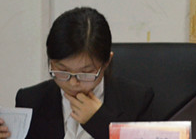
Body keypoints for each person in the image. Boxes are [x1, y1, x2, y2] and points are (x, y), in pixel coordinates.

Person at [0, 7, 153, 139]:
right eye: (62, 71)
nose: (73, 83)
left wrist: (99, 121)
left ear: (107, 62)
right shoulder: (31, 101)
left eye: (85, 73)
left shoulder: (137, 101)